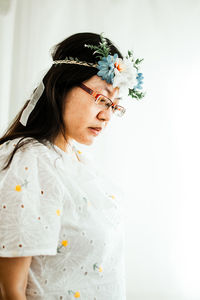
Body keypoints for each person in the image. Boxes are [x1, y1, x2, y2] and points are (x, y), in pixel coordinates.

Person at [0, 32, 144, 300]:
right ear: (62, 86)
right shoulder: (30, 160)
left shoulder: (76, 162)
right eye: (101, 99)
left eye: (115, 105)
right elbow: (10, 290)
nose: (107, 115)